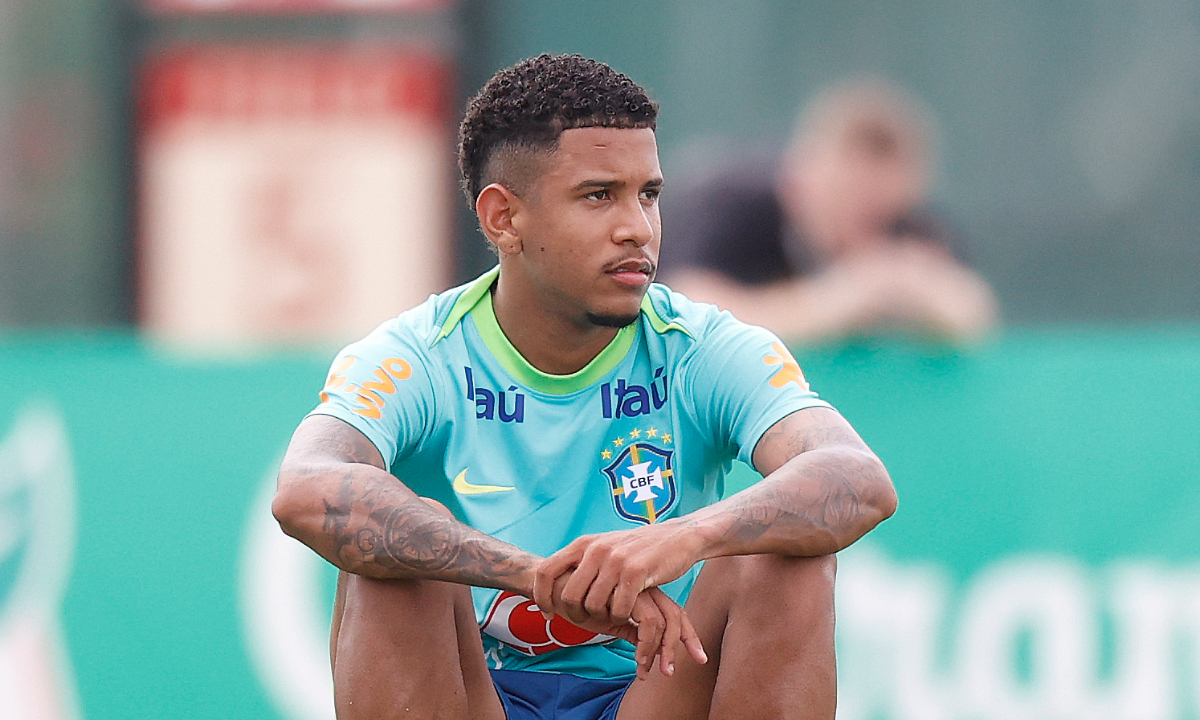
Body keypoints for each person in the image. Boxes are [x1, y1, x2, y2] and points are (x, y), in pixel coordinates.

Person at [271, 53, 897, 720]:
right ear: (503, 219)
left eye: (648, 194)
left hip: (657, 687)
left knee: (784, 557)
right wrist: (532, 575)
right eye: (599, 195)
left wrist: (686, 537)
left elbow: (858, 480)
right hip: (471, 692)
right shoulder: (416, 354)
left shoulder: (705, 347)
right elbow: (307, 488)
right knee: (395, 559)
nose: (639, 228)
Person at [658, 78, 997, 344]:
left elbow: (973, 315)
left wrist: (907, 283)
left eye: (879, 212)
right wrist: (841, 299)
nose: (864, 226)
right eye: (848, 201)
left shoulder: (904, 221)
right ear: (799, 180)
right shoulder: (731, 202)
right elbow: (689, 315)